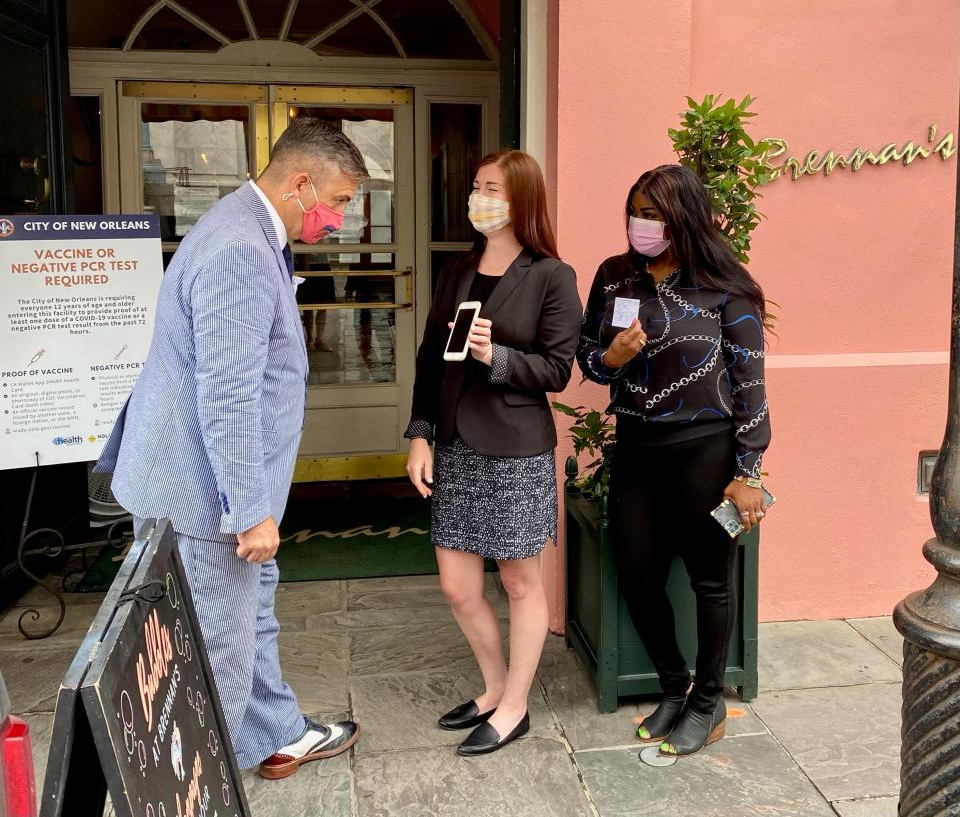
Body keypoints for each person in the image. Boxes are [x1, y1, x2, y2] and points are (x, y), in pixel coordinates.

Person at [97, 118, 369, 779]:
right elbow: (228, 396)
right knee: (215, 646)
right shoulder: (241, 250)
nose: (338, 221)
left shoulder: (239, 223)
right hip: (207, 498)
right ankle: (194, 778)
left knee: (251, 618)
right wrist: (249, 511)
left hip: (197, 483)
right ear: (301, 182)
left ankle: (274, 735)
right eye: (337, 202)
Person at [578, 164, 771, 757]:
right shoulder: (615, 277)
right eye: (637, 210)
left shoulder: (725, 284)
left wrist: (748, 473)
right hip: (636, 448)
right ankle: (673, 685)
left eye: (655, 213)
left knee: (711, 580)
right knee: (637, 573)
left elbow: (751, 384)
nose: (643, 224)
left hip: (704, 454)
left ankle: (709, 702)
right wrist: (610, 358)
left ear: (683, 217)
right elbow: (587, 360)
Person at [405, 150, 583, 757]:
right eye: (477, 186)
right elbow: (431, 356)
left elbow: (559, 369)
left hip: (513, 448)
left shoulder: (552, 275)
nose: (479, 197)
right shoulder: (457, 268)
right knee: (457, 585)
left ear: (522, 199)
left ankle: (515, 707)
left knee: (519, 582)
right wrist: (420, 433)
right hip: (453, 443)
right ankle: (493, 687)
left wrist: (495, 357)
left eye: (492, 189)